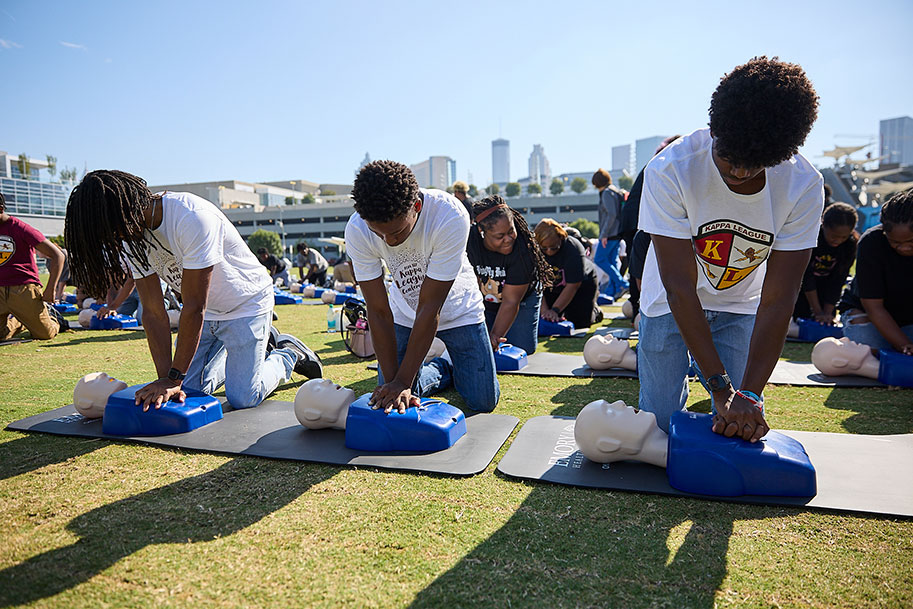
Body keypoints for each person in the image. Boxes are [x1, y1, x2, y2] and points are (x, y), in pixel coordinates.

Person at [637, 56, 823, 440]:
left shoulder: (803, 184)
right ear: (716, 129)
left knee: (742, 424)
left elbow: (780, 297)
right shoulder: (670, 169)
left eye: (754, 164)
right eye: (729, 158)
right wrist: (720, 389)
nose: (738, 172)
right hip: (668, 305)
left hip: (740, 306)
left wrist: (749, 394)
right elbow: (679, 286)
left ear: (779, 154)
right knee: (657, 426)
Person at [65, 170, 322, 411]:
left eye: (107, 231)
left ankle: (287, 354)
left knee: (243, 397)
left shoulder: (190, 217)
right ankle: (244, 355)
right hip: (208, 314)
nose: (110, 239)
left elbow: (194, 306)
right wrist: (168, 380)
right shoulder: (131, 238)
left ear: (121, 211)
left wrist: (174, 376)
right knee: (189, 391)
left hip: (246, 305)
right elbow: (154, 313)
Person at [344, 160, 499, 414]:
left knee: (483, 402)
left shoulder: (449, 215)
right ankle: (439, 370)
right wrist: (394, 384)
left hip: (459, 309)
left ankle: (448, 365)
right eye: (379, 233)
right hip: (404, 311)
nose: (388, 241)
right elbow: (378, 309)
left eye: (396, 231)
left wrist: (403, 382)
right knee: (390, 394)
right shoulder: (358, 229)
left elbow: (430, 307)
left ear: (416, 207)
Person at [466, 195, 551, 354]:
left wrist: (496, 336)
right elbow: (472, 289)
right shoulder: (470, 241)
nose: (508, 239)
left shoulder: (524, 249)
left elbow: (511, 301)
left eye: (511, 231)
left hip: (522, 298)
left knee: (523, 348)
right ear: (482, 232)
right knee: (476, 341)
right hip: (486, 297)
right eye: (499, 236)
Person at [838, 189, 913, 354]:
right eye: (895, 243)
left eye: (911, 241)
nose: (904, 248)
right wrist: (905, 347)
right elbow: (874, 308)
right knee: (868, 347)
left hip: (908, 321)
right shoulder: (871, 243)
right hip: (869, 315)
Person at [0, 191, 67, 340]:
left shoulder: (20, 228)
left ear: (0, 209)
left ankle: (53, 318)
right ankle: (19, 321)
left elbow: (58, 255)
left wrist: (51, 289)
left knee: (44, 334)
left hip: (23, 289)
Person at [793, 202, 858, 324]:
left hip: (826, 288)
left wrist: (827, 312)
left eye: (843, 237)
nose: (838, 240)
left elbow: (838, 279)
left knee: (826, 321)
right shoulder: (812, 238)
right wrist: (817, 311)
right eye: (833, 236)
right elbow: (806, 277)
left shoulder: (849, 245)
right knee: (802, 318)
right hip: (801, 289)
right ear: (823, 226)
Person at [534, 218, 603, 329]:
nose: (549, 252)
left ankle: (595, 310)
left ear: (561, 238)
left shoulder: (573, 248)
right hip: (551, 287)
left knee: (579, 323)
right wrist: (545, 311)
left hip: (582, 283)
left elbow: (573, 285)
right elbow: (536, 284)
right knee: (546, 319)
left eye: (554, 248)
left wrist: (555, 310)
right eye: (544, 248)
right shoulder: (533, 251)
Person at [591, 168, 629, 299]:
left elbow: (611, 214)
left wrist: (604, 234)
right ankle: (613, 291)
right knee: (612, 262)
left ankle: (623, 284)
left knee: (600, 259)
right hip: (618, 233)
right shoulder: (615, 191)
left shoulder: (607, 193)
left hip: (610, 234)